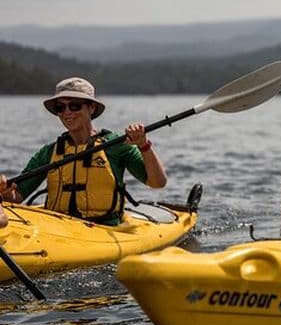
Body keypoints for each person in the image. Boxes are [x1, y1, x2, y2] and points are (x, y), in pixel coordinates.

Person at [0, 77, 167, 225]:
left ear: (91, 108)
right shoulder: (49, 152)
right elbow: (17, 197)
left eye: (74, 106)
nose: (67, 113)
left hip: (102, 228)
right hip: (57, 228)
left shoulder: (116, 146)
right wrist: (5, 191)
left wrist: (143, 145)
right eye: (60, 107)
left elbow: (158, 183)